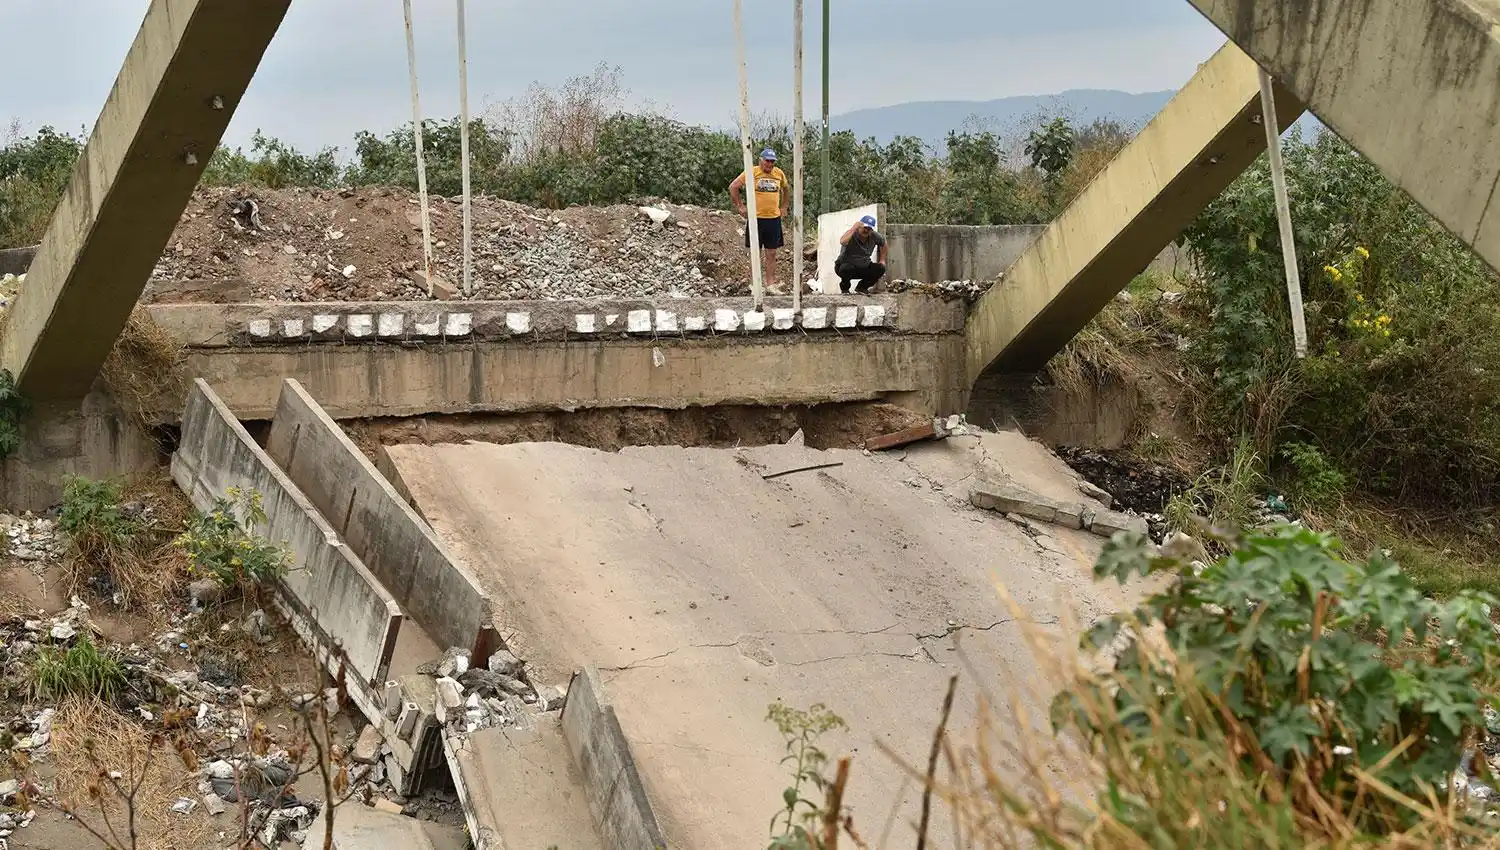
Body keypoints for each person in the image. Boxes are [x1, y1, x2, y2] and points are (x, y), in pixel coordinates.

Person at [729, 148, 789, 292]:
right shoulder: (752, 172)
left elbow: (786, 189)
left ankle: (770, 284)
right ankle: (756, 283)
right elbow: (733, 186)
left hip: (773, 219)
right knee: (755, 252)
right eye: (767, 161)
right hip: (756, 218)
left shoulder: (779, 173)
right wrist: (740, 206)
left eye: (772, 161)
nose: (770, 164)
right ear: (760, 160)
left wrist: (784, 206)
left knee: (772, 252)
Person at [834, 214, 887, 294]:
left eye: (869, 229)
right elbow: (843, 241)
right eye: (865, 228)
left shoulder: (874, 236)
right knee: (846, 268)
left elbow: (883, 244)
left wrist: (882, 259)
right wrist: (853, 228)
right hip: (845, 267)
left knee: (880, 268)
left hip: (863, 266)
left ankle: (862, 288)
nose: (866, 230)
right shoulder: (851, 234)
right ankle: (845, 289)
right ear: (859, 226)